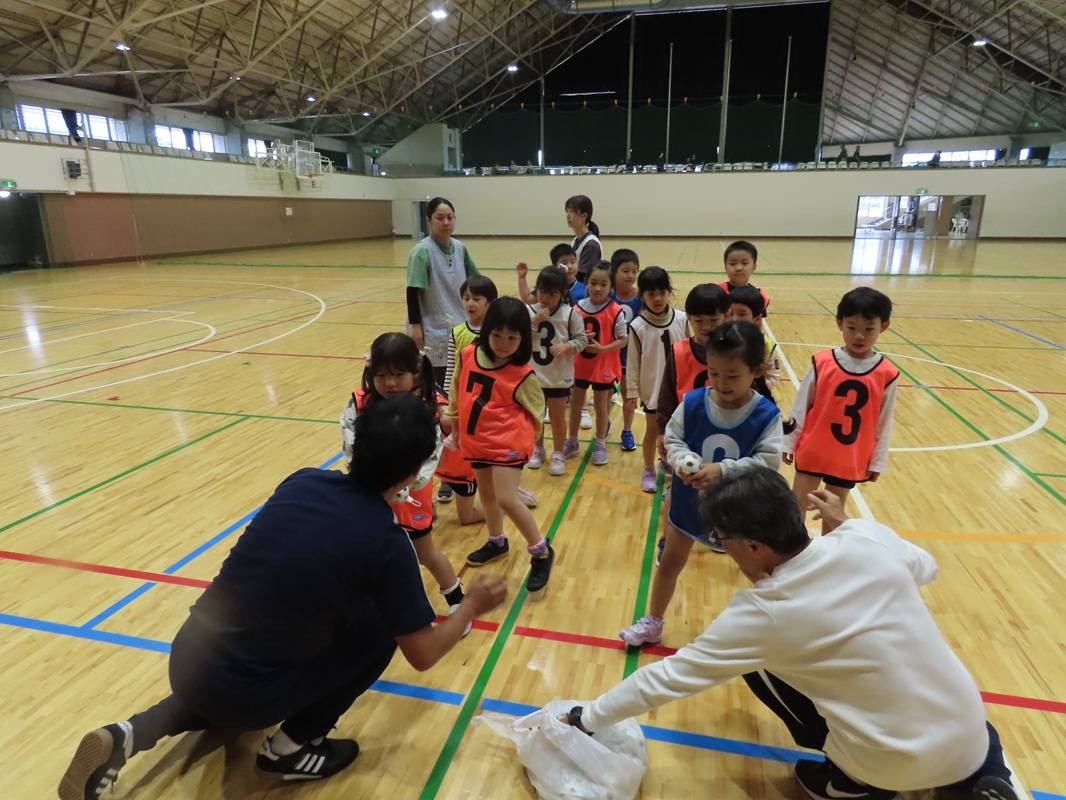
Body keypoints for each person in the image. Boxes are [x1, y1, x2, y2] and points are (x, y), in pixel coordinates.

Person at [59, 396, 508, 799]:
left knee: (224, 674)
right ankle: (289, 749)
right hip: (247, 697)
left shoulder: (302, 482)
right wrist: (469, 605)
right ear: (413, 471)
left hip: (188, 657)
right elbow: (423, 653)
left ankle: (129, 734)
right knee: (378, 626)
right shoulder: (387, 542)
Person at [567, 468, 1019, 800]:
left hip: (889, 764)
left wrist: (586, 718)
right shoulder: (864, 537)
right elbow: (927, 568)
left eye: (721, 538)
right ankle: (985, 782)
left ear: (754, 547)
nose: (719, 546)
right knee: (963, 714)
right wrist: (855, 533)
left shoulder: (764, 613)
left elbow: (665, 679)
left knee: (759, 665)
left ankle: (851, 784)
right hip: (969, 740)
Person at [620, 321, 782, 647]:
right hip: (687, 505)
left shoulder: (766, 415)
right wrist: (679, 461)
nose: (721, 383)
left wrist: (722, 471)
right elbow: (673, 439)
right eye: (714, 373)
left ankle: (778, 627)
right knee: (669, 563)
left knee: (757, 574)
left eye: (732, 376)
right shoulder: (693, 402)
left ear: (757, 371)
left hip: (737, 515)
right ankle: (653, 621)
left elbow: (768, 462)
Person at [340, 333, 468, 630]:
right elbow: (349, 442)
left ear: (417, 372)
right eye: (382, 375)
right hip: (369, 492)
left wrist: (402, 488)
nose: (390, 383)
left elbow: (431, 455)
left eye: (398, 374)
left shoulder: (429, 408)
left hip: (411, 495)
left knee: (424, 553)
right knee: (369, 550)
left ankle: (457, 598)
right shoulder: (359, 404)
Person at [448, 297, 556, 596]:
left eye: (512, 338)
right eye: (497, 335)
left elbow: (537, 408)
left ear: (523, 338)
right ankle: (497, 541)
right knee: (488, 495)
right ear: (486, 330)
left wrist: (530, 440)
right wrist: (454, 421)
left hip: (507, 444)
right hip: (476, 440)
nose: (504, 344)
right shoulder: (468, 354)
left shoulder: (522, 374)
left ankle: (541, 551)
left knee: (507, 498)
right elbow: (458, 388)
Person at [783, 287, 898, 517]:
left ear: (884, 326)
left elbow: (884, 422)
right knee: (798, 506)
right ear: (839, 323)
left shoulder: (886, 373)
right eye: (852, 328)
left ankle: (832, 552)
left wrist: (878, 461)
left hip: (848, 456)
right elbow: (801, 406)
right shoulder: (823, 362)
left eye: (868, 329)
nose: (859, 336)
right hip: (813, 448)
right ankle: (794, 552)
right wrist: (788, 442)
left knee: (833, 513)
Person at [440, 275, 539, 513]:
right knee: (457, 441)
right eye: (466, 298)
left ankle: (513, 488)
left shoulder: (498, 335)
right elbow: (454, 369)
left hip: (496, 414)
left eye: (477, 298)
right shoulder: (458, 333)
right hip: (466, 402)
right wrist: (448, 398)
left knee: (500, 469)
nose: (470, 303)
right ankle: (449, 480)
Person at [651, 284, 730, 564]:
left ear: (726, 316)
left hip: (723, 434)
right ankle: (666, 539)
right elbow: (667, 392)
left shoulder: (734, 351)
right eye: (699, 321)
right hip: (688, 435)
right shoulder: (681, 351)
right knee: (679, 494)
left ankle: (717, 531)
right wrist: (662, 430)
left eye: (714, 320)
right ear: (690, 320)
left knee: (721, 490)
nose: (706, 326)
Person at [626, 266, 688, 493]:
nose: (658, 298)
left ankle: (670, 463)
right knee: (652, 431)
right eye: (651, 294)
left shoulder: (682, 319)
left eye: (662, 292)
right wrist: (632, 393)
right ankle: (648, 468)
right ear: (641, 295)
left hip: (680, 389)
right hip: (652, 390)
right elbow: (632, 363)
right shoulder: (637, 327)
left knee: (677, 432)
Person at [406, 197, 480, 388]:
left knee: (458, 380)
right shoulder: (422, 251)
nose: (446, 222)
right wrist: (415, 325)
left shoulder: (460, 248)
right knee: (436, 382)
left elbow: (476, 281)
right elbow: (412, 290)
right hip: (431, 327)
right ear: (429, 221)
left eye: (450, 217)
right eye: (440, 218)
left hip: (459, 323)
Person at [524, 267, 587, 477]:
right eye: (542, 291)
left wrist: (567, 346)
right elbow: (519, 337)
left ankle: (559, 453)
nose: (546, 297)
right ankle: (538, 448)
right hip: (533, 376)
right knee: (536, 417)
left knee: (558, 418)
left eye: (553, 293)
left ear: (562, 293)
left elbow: (582, 340)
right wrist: (535, 323)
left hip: (559, 377)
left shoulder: (570, 314)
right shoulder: (528, 312)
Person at [571, 261, 628, 467]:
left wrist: (603, 349)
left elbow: (623, 339)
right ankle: (572, 440)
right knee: (576, 405)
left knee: (601, 407)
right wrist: (579, 338)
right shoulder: (577, 308)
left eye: (603, 284)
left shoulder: (615, 310)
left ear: (611, 286)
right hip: (580, 365)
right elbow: (570, 334)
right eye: (593, 283)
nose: (597, 288)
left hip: (603, 366)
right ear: (586, 282)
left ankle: (601, 443)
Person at [724, 285, 781, 403]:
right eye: (730, 313)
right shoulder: (720, 339)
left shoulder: (766, 345)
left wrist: (751, 388)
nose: (734, 319)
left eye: (742, 314)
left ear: (757, 319)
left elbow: (773, 375)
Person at [610, 248, 642, 452]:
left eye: (634, 271)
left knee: (630, 398)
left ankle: (627, 430)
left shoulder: (640, 299)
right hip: (608, 356)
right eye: (625, 271)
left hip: (629, 359)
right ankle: (603, 427)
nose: (631, 275)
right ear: (614, 271)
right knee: (604, 396)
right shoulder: (607, 296)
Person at [718, 240, 770, 313]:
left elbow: (758, 322)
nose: (738, 268)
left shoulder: (760, 296)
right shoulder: (718, 292)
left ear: (754, 267)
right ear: (725, 267)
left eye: (745, 263)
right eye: (732, 263)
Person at [565, 194, 602, 282]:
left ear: (584, 215)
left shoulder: (591, 245)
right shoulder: (574, 241)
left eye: (572, 211)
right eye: (567, 211)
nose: (568, 215)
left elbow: (582, 278)